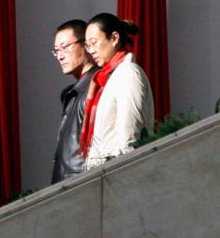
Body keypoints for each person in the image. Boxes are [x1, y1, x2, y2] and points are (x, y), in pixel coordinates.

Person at [80, 13, 155, 170]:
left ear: (114, 38)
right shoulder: (106, 79)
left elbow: (132, 137)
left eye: (94, 43)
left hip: (118, 177)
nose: (91, 51)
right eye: (87, 45)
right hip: (102, 176)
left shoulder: (128, 74)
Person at [50, 19, 96, 184]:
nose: (60, 56)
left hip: (81, 185)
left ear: (87, 45)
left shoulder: (98, 84)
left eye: (66, 47)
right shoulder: (71, 92)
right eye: (56, 50)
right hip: (67, 186)